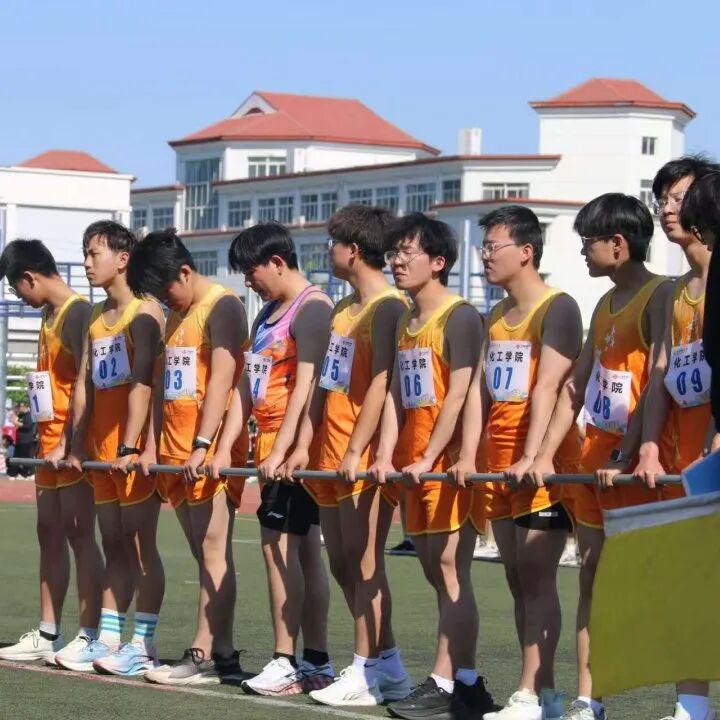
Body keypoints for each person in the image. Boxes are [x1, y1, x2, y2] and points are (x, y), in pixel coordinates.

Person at [527, 194, 672, 720]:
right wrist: (545, 454)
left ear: (618, 243)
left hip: (635, 471)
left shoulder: (660, 295)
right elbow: (577, 384)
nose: (583, 251)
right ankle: (589, 699)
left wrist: (630, 450)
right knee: (590, 578)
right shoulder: (604, 302)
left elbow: (656, 382)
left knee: (655, 586)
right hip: (595, 465)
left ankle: (687, 701)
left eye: (589, 241)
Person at [451, 207, 582, 720]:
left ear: (526, 252)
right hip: (499, 468)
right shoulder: (495, 315)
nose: (485, 256)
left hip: (543, 468)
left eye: (493, 247)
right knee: (516, 581)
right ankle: (543, 695)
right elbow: (479, 394)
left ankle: (530, 693)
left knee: (536, 578)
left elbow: (550, 387)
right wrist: (469, 453)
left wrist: (534, 453)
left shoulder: (558, 308)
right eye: (483, 247)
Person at [280, 205, 412, 706]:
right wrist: (302, 444)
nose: (327, 252)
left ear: (353, 250)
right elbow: (325, 383)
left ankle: (365, 668)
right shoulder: (342, 309)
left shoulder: (388, 307)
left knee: (364, 564)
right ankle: (388, 663)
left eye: (332, 243)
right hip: (329, 455)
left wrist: (359, 448)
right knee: (340, 562)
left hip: (363, 456)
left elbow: (382, 382)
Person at [367, 213, 497, 720]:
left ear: (439, 262)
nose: (396, 262)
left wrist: (434, 456)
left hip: (445, 468)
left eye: (407, 253)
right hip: (413, 468)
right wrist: (387, 452)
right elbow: (399, 397)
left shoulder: (460, 317)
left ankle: (445, 682)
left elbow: (461, 395)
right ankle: (468, 684)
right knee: (432, 571)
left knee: (449, 570)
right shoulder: (405, 319)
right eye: (393, 253)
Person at [207, 222, 334, 696]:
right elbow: (247, 382)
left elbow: (309, 386)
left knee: (281, 549)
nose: (248, 282)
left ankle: (288, 659)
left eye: (252, 272)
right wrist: (225, 443)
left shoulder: (313, 308)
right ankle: (314, 661)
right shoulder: (265, 314)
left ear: (277, 263)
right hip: (270, 450)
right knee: (301, 550)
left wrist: (285, 448)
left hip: (294, 452)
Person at [125, 228, 248, 685]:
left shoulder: (223, 305)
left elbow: (222, 380)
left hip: (207, 452)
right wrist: (152, 445)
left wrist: (203, 443)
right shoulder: (176, 314)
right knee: (203, 555)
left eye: (164, 290)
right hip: (174, 455)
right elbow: (163, 386)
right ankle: (223, 652)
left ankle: (204, 653)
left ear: (184, 271)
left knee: (214, 552)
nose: (163, 299)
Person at [59, 220, 166, 676]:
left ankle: (143, 643)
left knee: (140, 546)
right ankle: (106, 638)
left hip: (133, 453)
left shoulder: (146, 312)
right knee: (114, 543)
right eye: (84, 253)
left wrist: (136, 446)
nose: (86, 263)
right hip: (102, 454)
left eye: (94, 254)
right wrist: (76, 441)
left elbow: (148, 385)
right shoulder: (95, 316)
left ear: (123, 259)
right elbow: (85, 383)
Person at [0, 239, 103, 665]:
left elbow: (87, 382)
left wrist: (71, 441)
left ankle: (90, 633)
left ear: (31, 277)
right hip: (47, 445)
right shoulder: (48, 314)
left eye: (16, 288)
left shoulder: (79, 313)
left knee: (80, 533)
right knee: (48, 531)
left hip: (73, 445)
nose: (18, 297)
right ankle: (46, 632)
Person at [13, 399, 36, 478]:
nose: (19, 408)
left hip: (27, 441)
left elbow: (28, 426)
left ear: (24, 407)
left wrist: (17, 423)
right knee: (20, 456)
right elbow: (16, 424)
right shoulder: (21, 416)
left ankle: (31, 473)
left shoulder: (29, 415)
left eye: (19, 407)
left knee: (28, 457)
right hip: (20, 440)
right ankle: (22, 473)